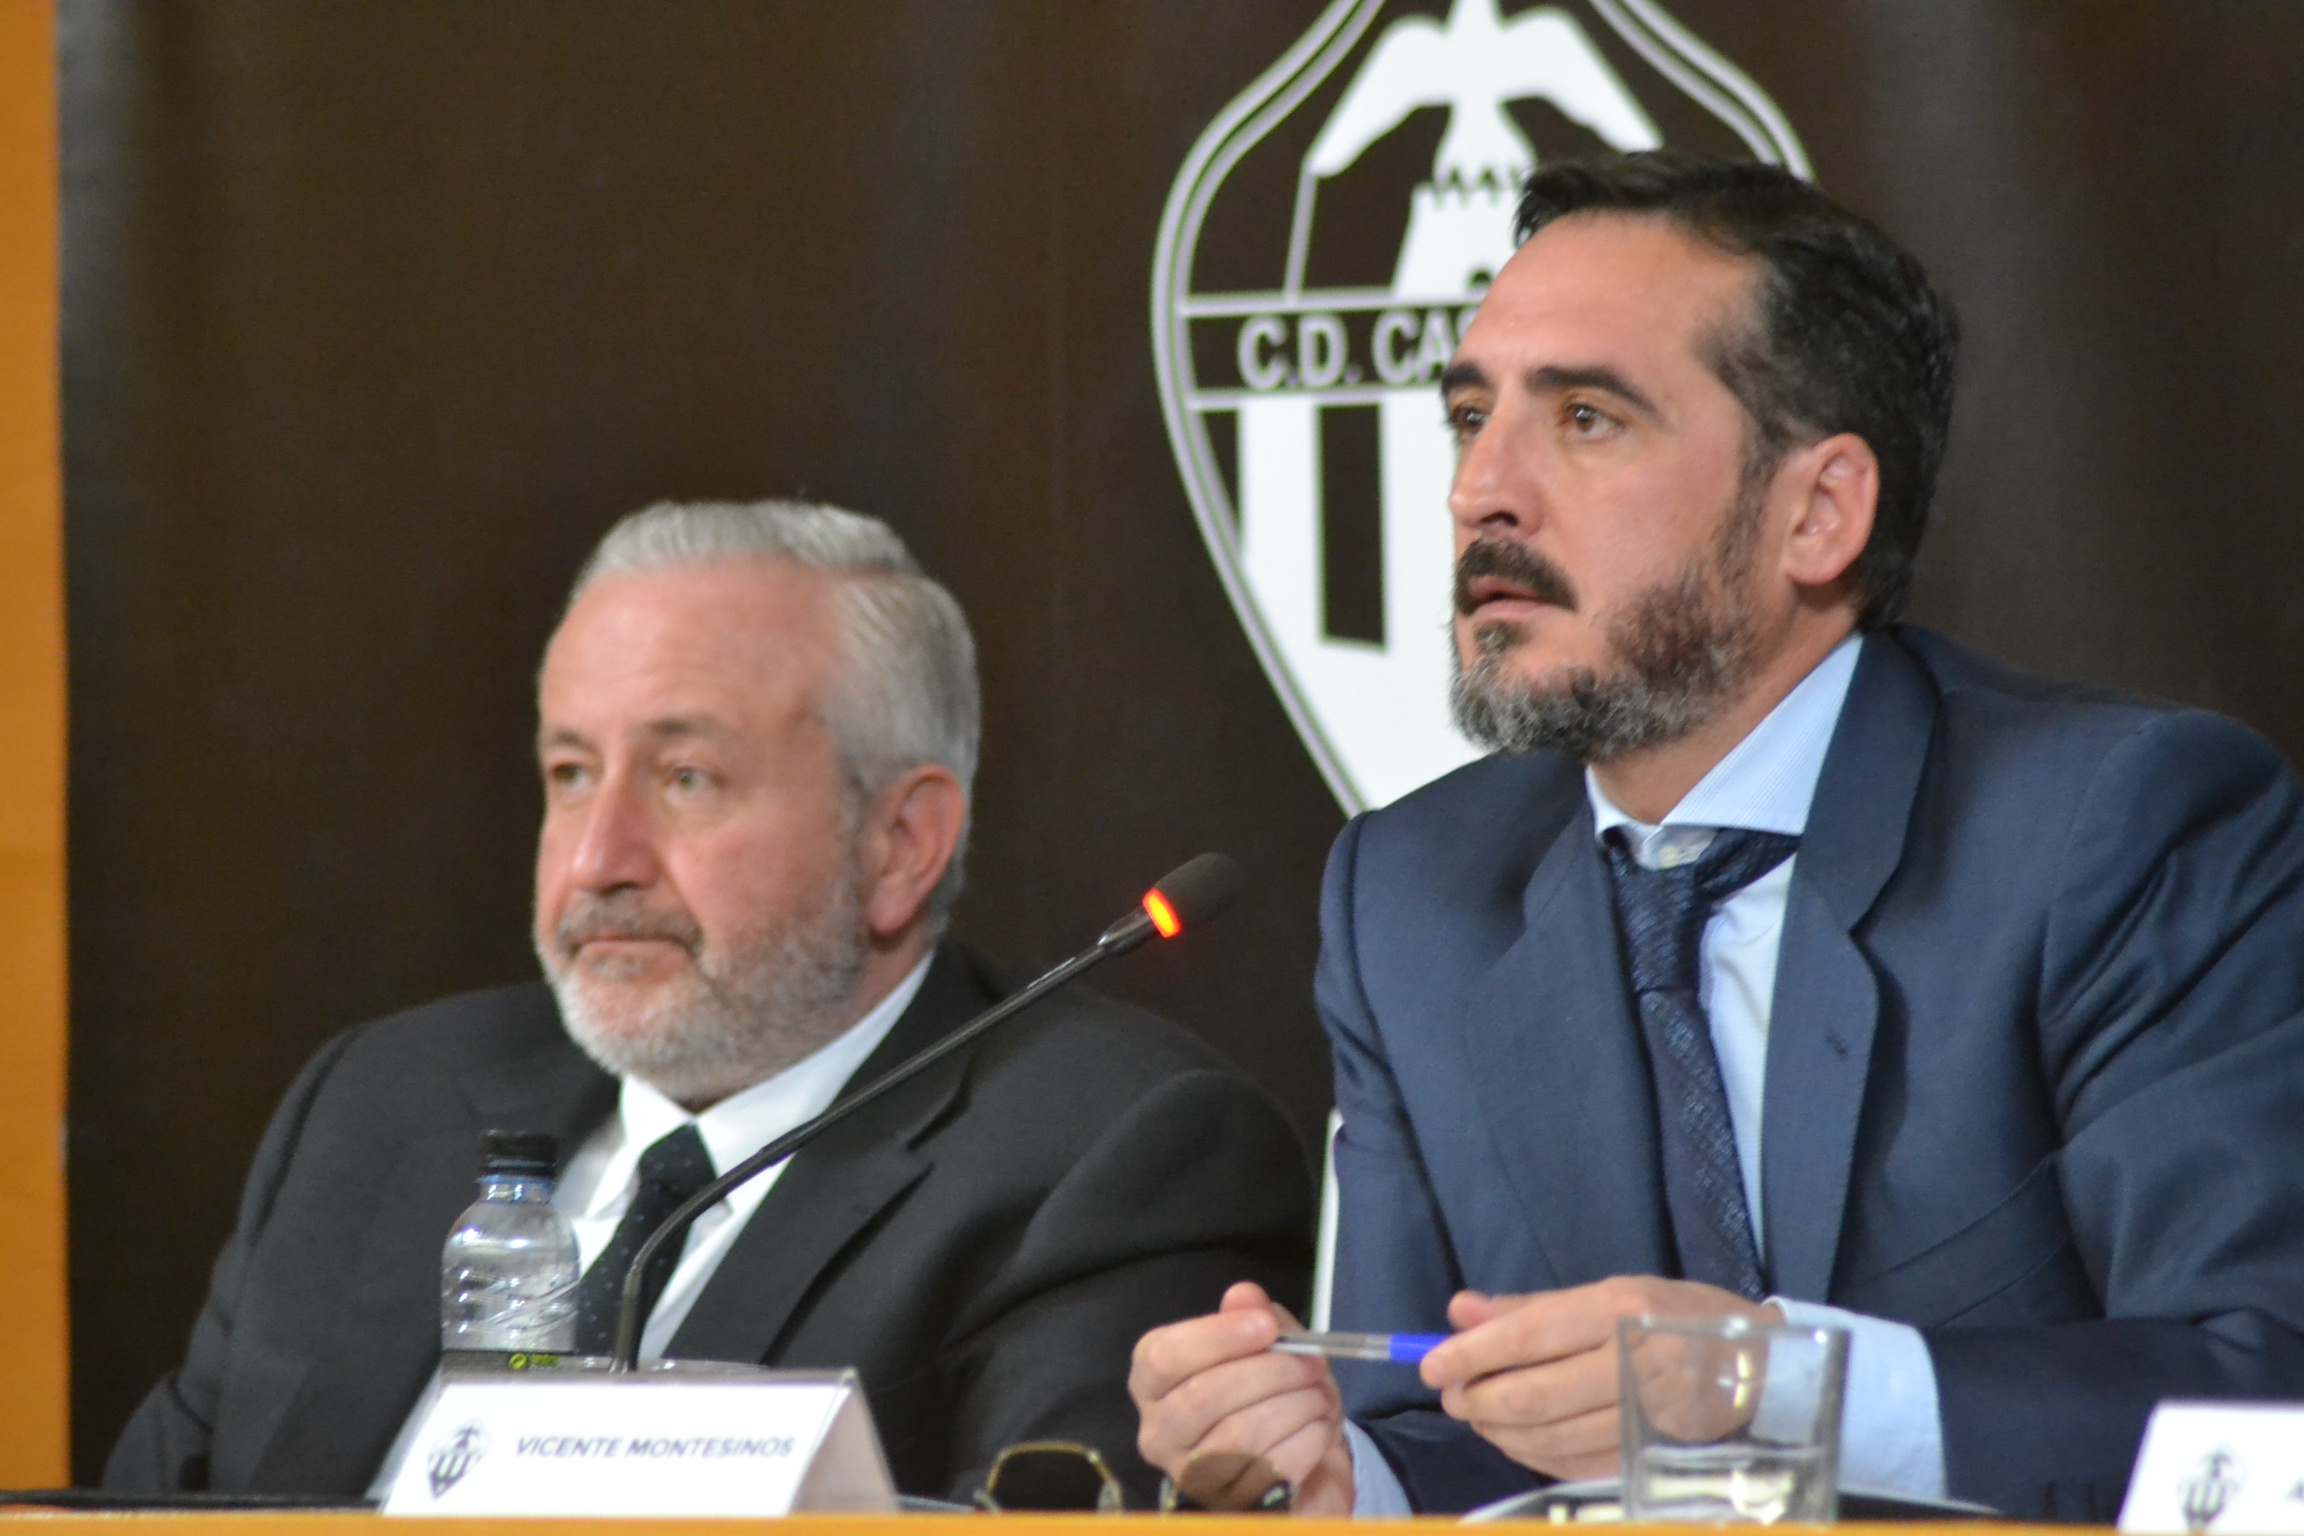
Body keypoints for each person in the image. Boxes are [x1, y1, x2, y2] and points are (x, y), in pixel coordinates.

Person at [1129, 151, 2304, 1523]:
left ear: (1818, 513)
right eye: (1469, 417)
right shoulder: (1412, 897)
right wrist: (1346, 1475)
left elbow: (2266, 1392)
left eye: (1586, 419)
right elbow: (1436, 1415)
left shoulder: (2118, 827)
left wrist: (1779, 1389)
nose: (1479, 491)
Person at [108, 499, 1312, 1504]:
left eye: (687, 777)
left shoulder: (1113, 1159)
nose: (598, 860)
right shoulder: (375, 1108)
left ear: (901, 842)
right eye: (570, 772)